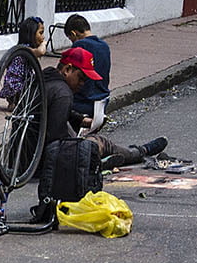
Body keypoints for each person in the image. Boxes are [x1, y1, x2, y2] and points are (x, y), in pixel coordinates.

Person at [24, 46, 167, 224]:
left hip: (26, 157)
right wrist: (82, 149)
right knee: (100, 143)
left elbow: (50, 113)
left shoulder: (45, 80)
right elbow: (57, 141)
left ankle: (110, 157)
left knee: (90, 143)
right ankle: (140, 151)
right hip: (41, 162)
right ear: (67, 69)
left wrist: (81, 120)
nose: (82, 84)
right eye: (81, 78)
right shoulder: (63, 93)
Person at [59, 14, 110, 125]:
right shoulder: (104, 46)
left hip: (84, 101)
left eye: (70, 39)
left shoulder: (80, 45)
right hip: (102, 100)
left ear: (73, 34)